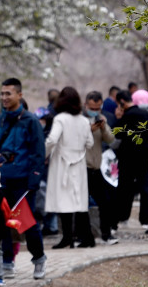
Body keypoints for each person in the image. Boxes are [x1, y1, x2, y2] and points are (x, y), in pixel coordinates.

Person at [0, 78, 47, 280]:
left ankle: (39, 259)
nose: (4, 97)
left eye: (9, 94)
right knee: (3, 223)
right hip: (1, 181)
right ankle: (7, 262)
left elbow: (39, 153)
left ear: (19, 95)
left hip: (23, 182)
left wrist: (34, 179)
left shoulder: (31, 121)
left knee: (27, 224)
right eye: (2, 94)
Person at [44, 87, 95, 248]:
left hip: (62, 163)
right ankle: (87, 237)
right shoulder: (84, 120)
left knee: (63, 200)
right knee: (79, 201)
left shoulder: (60, 118)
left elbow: (52, 140)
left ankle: (67, 238)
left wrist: (43, 154)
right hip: (79, 163)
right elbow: (90, 143)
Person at [113, 90, 148, 235]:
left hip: (128, 160)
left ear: (122, 102)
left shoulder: (128, 116)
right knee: (147, 190)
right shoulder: (146, 115)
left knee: (122, 191)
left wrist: (118, 119)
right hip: (143, 160)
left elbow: (117, 136)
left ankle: (113, 223)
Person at [84, 90, 118, 244]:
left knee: (105, 202)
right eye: (92, 108)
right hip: (82, 167)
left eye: (98, 108)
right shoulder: (79, 120)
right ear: (86, 105)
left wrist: (103, 127)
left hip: (96, 168)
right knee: (81, 204)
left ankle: (107, 234)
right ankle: (84, 236)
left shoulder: (101, 118)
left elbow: (111, 139)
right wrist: (88, 131)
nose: (95, 111)